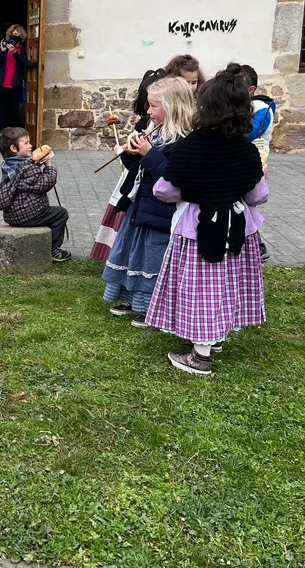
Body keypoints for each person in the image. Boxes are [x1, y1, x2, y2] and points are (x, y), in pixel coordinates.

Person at [145, 63, 268, 376]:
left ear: (204, 108)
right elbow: (257, 195)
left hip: (198, 228)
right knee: (226, 285)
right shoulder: (246, 150)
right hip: (238, 228)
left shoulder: (190, 147)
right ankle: (216, 337)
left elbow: (165, 191)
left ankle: (201, 356)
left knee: (203, 290)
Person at [102, 76, 195, 327]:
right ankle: (132, 299)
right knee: (133, 252)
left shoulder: (185, 140)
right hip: (141, 205)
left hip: (161, 211)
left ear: (173, 107)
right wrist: (132, 155)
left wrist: (149, 154)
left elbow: (172, 177)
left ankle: (153, 307)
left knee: (153, 257)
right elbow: (142, 169)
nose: (148, 111)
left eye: (154, 106)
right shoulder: (157, 132)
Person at [90, 68, 164, 261]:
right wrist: (127, 152)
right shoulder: (146, 123)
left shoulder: (164, 131)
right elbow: (137, 161)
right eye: (149, 104)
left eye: (153, 105)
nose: (149, 110)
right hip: (138, 187)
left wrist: (130, 154)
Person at [0, 126, 71, 261]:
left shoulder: (8, 165)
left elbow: (25, 181)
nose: (31, 146)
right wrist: (49, 166)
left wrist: (36, 165)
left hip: (11, 216)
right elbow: (44, 184)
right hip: (28, 215)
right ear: (13, 148)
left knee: (51, 214)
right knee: (60, 213)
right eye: (26, 143)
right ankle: (53, 250)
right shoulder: (28, 167)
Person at [242, 64, 276, 262]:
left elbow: (251, 133)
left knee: (247, 201)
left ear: (251, 89)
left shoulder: (263, 109)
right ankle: (257, 244)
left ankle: (258, 246)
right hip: (244, 154)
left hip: (256, 154)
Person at [0, 24, 28, 129]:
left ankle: (14, 134)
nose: (15, 36)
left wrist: (15, 53)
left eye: (17, 34)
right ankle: (3, 134)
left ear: (21, 36)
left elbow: (22, 65)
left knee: (13, 112)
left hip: (15, 85)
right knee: (2, 111)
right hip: (3, 84)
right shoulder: (5, 48)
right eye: (12, 34)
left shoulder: (23, 49)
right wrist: (2, 51)